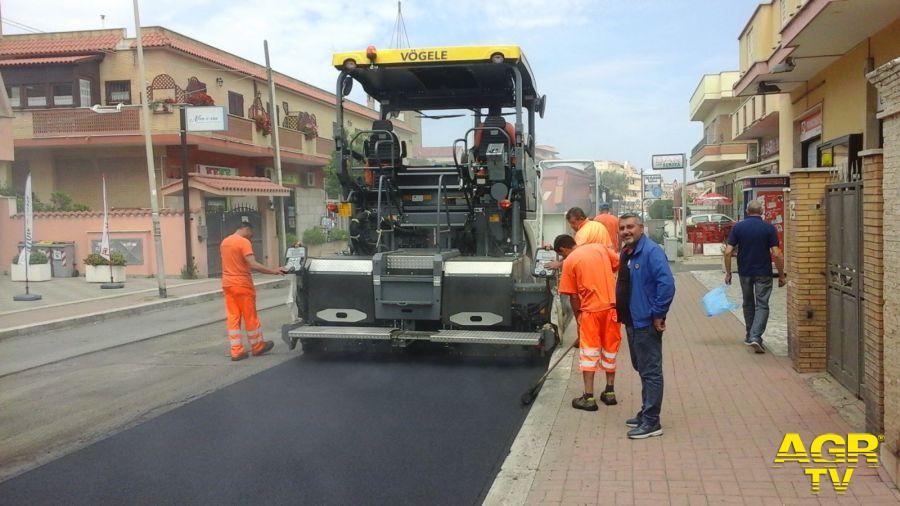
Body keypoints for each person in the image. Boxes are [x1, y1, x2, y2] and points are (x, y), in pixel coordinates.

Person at [616, 213, 675, 439]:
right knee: (641, 368)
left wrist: (658, 313)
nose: (626, 231)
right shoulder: (629, 252)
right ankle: (645, 412)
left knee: (651, 371)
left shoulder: (651, 252)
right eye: (622, 228)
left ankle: (652, 422)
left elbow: (667, 285)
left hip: (645, 322)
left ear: (641, 228)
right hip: (632, 321)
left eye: (630, 227)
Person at [555, 234, 621, 410]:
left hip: (591, 312)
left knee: (589, 353)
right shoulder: (599, 248)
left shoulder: (569, 261)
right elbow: (616, 264)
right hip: (612, 308)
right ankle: (609, 393)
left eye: (561, 255)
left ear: (563, 249)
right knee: (610, 350)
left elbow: (573, 296)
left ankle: (589, 397)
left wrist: (578, 319)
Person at [723, 199, 786, 354]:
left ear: (747, 211)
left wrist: (729, 273)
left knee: (748, 303)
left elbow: (728, 251)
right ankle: (755, 337)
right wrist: (782, 275)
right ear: (762, 212)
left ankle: (750, 335)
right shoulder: (769, 228)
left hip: (745, 271)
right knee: (762, 304)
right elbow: (777, 254)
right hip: (763, 272)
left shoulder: (738, 227)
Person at [220, 222, 285, 361]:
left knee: (233, 317)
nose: (251, 238)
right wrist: (274, 271)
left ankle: (236, 351)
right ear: (246, 229)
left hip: (228, 284)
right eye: (251, 234)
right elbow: (253, 264)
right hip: (242, 284)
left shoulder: (225, 242)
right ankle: (257, 346)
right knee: (250, 317)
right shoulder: (243, 242)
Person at [544, 207, 612, 270]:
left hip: (593, 270)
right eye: (570, 223)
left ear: (582, 219)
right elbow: (610, 247)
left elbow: (575, 256)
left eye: (573, 223)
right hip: (606, 267)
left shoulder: (582, 233)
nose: (572, 226)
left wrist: (558, 264)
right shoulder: (599, 225)